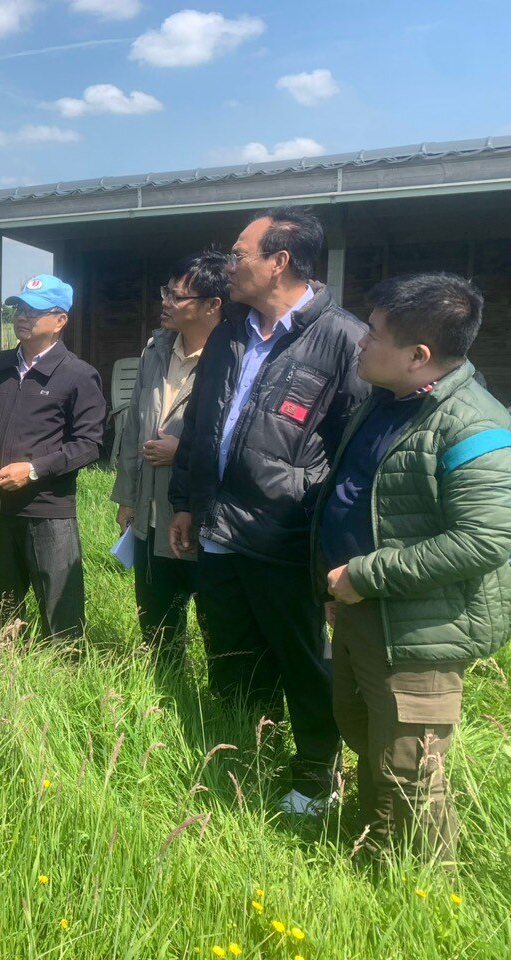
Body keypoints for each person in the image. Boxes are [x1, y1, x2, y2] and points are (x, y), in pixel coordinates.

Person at [168, 207, 369, 816]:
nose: (229, 265)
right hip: (219, 527)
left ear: (279, 262)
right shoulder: (231, 330)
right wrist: (184, 502)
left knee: (302, 660)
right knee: (229, 651)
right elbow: (202, 422)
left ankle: (315, 778)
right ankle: (239, 757)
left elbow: (355, 458)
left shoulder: (344, 340)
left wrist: (339, 550)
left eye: (239, 254)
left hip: (288, 536)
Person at [314, 273, 511, 865]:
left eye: (372, 335)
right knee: (364, 733)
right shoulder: (387, 399)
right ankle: (375, 849)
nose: (359, 343)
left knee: (412, 769)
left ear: (418, 356)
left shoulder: (475, 425)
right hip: (361, 612)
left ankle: (425, 891)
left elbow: (485, 539)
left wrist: (364, 575)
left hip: (420, 630)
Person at [0, 275, 105, 645]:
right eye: (20, 308)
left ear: (60, 320)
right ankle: (6, 675)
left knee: (61, 614)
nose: (22, 317)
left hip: (48, 512)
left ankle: (63, 681)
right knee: (5, 608)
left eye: (34, 311)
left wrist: (34, 470)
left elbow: (90, 444)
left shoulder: (77, 375)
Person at [111, 252, 227, 667]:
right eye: (167, 292)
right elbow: (131, 432)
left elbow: (241, 436)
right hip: (150, 513)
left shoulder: (233, 358)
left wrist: (184, 453)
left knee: (216, 626)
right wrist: (127, 497)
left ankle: (217, 706)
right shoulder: (155, 351)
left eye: (177, 296)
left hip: (203, 516)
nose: (165, 302)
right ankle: (162, 689)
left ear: (212, 305)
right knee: (157, 624)